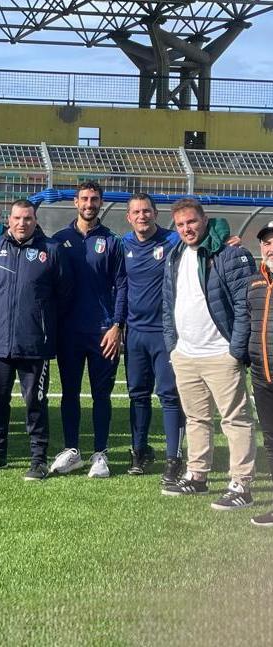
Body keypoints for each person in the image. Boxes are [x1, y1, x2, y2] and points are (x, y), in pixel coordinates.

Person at [161, 197, 256, 509]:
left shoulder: (229, 253)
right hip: (185, 354)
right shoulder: (175, 254)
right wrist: (172, 345)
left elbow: (244, 307)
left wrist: (235, 350)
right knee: (196, 418)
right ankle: (197, 476)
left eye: (191, 221)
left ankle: (241, 484)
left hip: (220, 353)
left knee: (235, 419)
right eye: (181, 224)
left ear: (204, 219)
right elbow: (167, 303)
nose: (187, 228)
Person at [0, 200, 73, 481]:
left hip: (34, 344)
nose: (22, 223)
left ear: (35, 220)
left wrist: (39, 321)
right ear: (9, 220)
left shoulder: (51, 251)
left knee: (35, 403)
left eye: (28, 219)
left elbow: (64, 296)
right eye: (17, 218)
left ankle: (38, 459)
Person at [50, 181, 127, 479]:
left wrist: (117, 325)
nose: (89, 204)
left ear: (101, 202)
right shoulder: (59, 240)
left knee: (101, 395)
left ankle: (100, 453)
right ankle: (72, 451)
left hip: (102, 332)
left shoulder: (111, 241)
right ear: (75, 202)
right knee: (69, 393)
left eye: (94, 199)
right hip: (69, 332)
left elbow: (122, 285)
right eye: (84, 199)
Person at [121, 193, 185, 483]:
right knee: (137, 395)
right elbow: (119, 287)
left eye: (147, 211)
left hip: (164, 333)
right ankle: (139, 451)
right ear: (129, 217)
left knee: (170, 395)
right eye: (136, 212)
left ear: (156, 214)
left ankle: (174, 457)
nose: (142, 216)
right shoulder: (123, 244)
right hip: (135, 334)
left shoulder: (173, 241)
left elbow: (204, 240)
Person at [246, 222, 273, 527]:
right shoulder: (254, 283)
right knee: (271, 440)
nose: (270, 248)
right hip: (262, 375)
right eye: (266, 243)